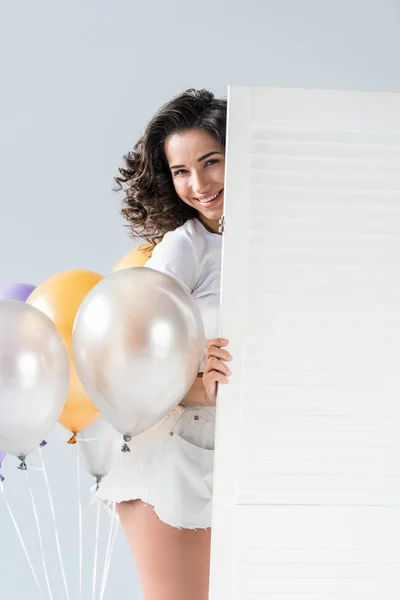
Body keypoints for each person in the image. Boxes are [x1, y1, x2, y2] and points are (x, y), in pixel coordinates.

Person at [95, 88, 232, 600]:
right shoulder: (185, 248)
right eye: (181, 171)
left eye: (211, 161)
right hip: (173, 457)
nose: (198, 185)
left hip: (235, 453)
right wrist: (195, 386)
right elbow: (121, 361)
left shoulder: (270, 245)